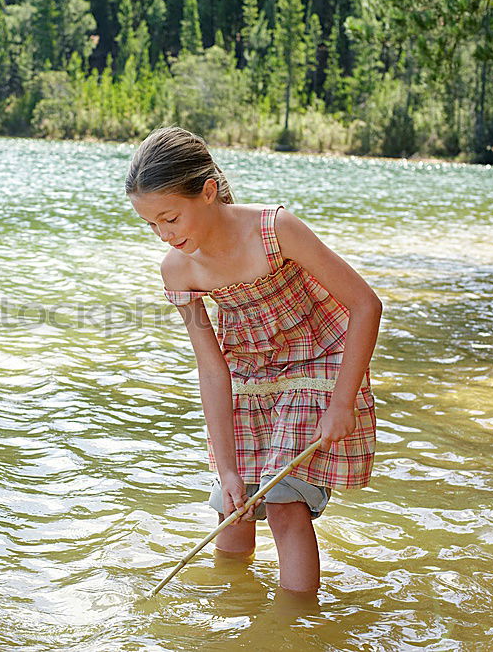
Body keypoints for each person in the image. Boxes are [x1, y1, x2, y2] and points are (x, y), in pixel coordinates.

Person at [126, 127, 380, 593]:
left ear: (206, 192)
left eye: (171, 218)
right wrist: (226, 469)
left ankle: (295, 627)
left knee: (284, 503)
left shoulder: (274, 229)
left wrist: (343, 403)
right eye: (152, 225)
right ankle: (234, 618)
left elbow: (365, 304)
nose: (165, 235)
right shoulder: (177, 269)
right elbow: (211, 366)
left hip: (318, 362)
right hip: (249, 372)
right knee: (233, 509)